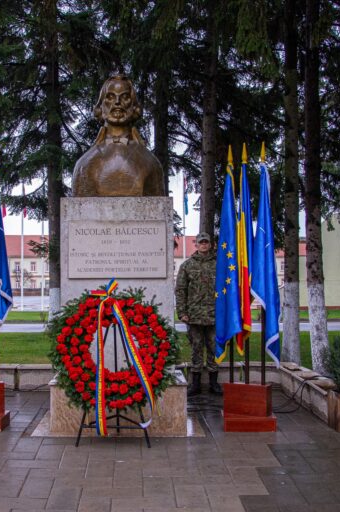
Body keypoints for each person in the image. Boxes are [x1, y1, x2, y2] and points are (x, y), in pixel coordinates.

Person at [71, 74, 165, 197]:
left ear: (134, 105)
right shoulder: (84, 165)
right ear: (101, 106)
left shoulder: (151, 164)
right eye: (110, 97)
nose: (117, 102)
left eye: (125, 97)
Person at [175, 232, 221, 396]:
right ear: (196, 245)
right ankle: (195, 384)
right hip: (194, 315)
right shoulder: (187, 265)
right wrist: (182, 312)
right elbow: (180, 290)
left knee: (213, 348)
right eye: (201, 242)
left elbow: (226, 289)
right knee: (196, 348)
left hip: (214, 315)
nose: (203, 245)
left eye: (206, 242)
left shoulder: (218, 265)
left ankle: (213, 383)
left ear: (210, 245)